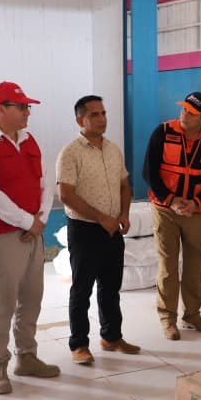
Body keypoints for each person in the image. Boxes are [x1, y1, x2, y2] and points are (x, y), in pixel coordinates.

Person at [0, 81, 60, 395]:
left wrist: (40, 219)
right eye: (21, 107)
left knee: (32, 297)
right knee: (4, 300)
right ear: (0, 109)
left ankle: (26, 357)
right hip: (3, 233)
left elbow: (46, 183)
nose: (27, 112)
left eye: (27, 107)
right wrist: (27, 221)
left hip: (34, 231)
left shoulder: (30, 141)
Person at [57, 95, 140, 364]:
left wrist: (124, 214)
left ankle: (112, 337)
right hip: (85, 230)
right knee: (82, 289)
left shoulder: (113, 150)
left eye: (103, 113)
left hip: (112, 229)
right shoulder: (70, 153)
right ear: (80, 120)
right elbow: (66, 195)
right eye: (94, 114)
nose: (102, 118)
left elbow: (125, 185)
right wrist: (101, 218)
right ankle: (79, 344)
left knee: (111, 287)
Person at [143, 91, 201, 340]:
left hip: (197, 212)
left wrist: (195, 203)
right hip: (165, 209)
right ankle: (168, 318)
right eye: (184, 109)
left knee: (194, 266)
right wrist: (171, 200)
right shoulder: (163, 132)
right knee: (168, 267)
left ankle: (192, 314)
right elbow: (149, 172)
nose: (185, 114)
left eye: (192, 113)